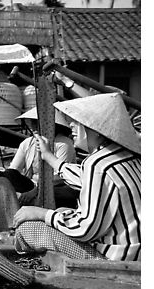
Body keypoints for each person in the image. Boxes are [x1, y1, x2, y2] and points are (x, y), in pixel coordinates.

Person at [12, 93, 140, 261]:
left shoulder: (97, 163)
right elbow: (83, 177)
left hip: (116, 257)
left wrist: (42, 214)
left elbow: (86, 229)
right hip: (135, 252)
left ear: (97, 130)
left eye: (78, 121)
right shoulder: (127, 156)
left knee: (28, 228)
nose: (71, 125)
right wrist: (48, 155)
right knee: (61, 212)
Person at [9, 107, 77, 207]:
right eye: (32, 123)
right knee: (9, 174)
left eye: (36, 123)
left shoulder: (63, 143)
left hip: (55, 186)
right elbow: (14, 169)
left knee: (56, 192)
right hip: (32, 184)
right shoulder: (27, 143)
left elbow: (60, 176)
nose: (33, 127)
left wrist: (35, 191)